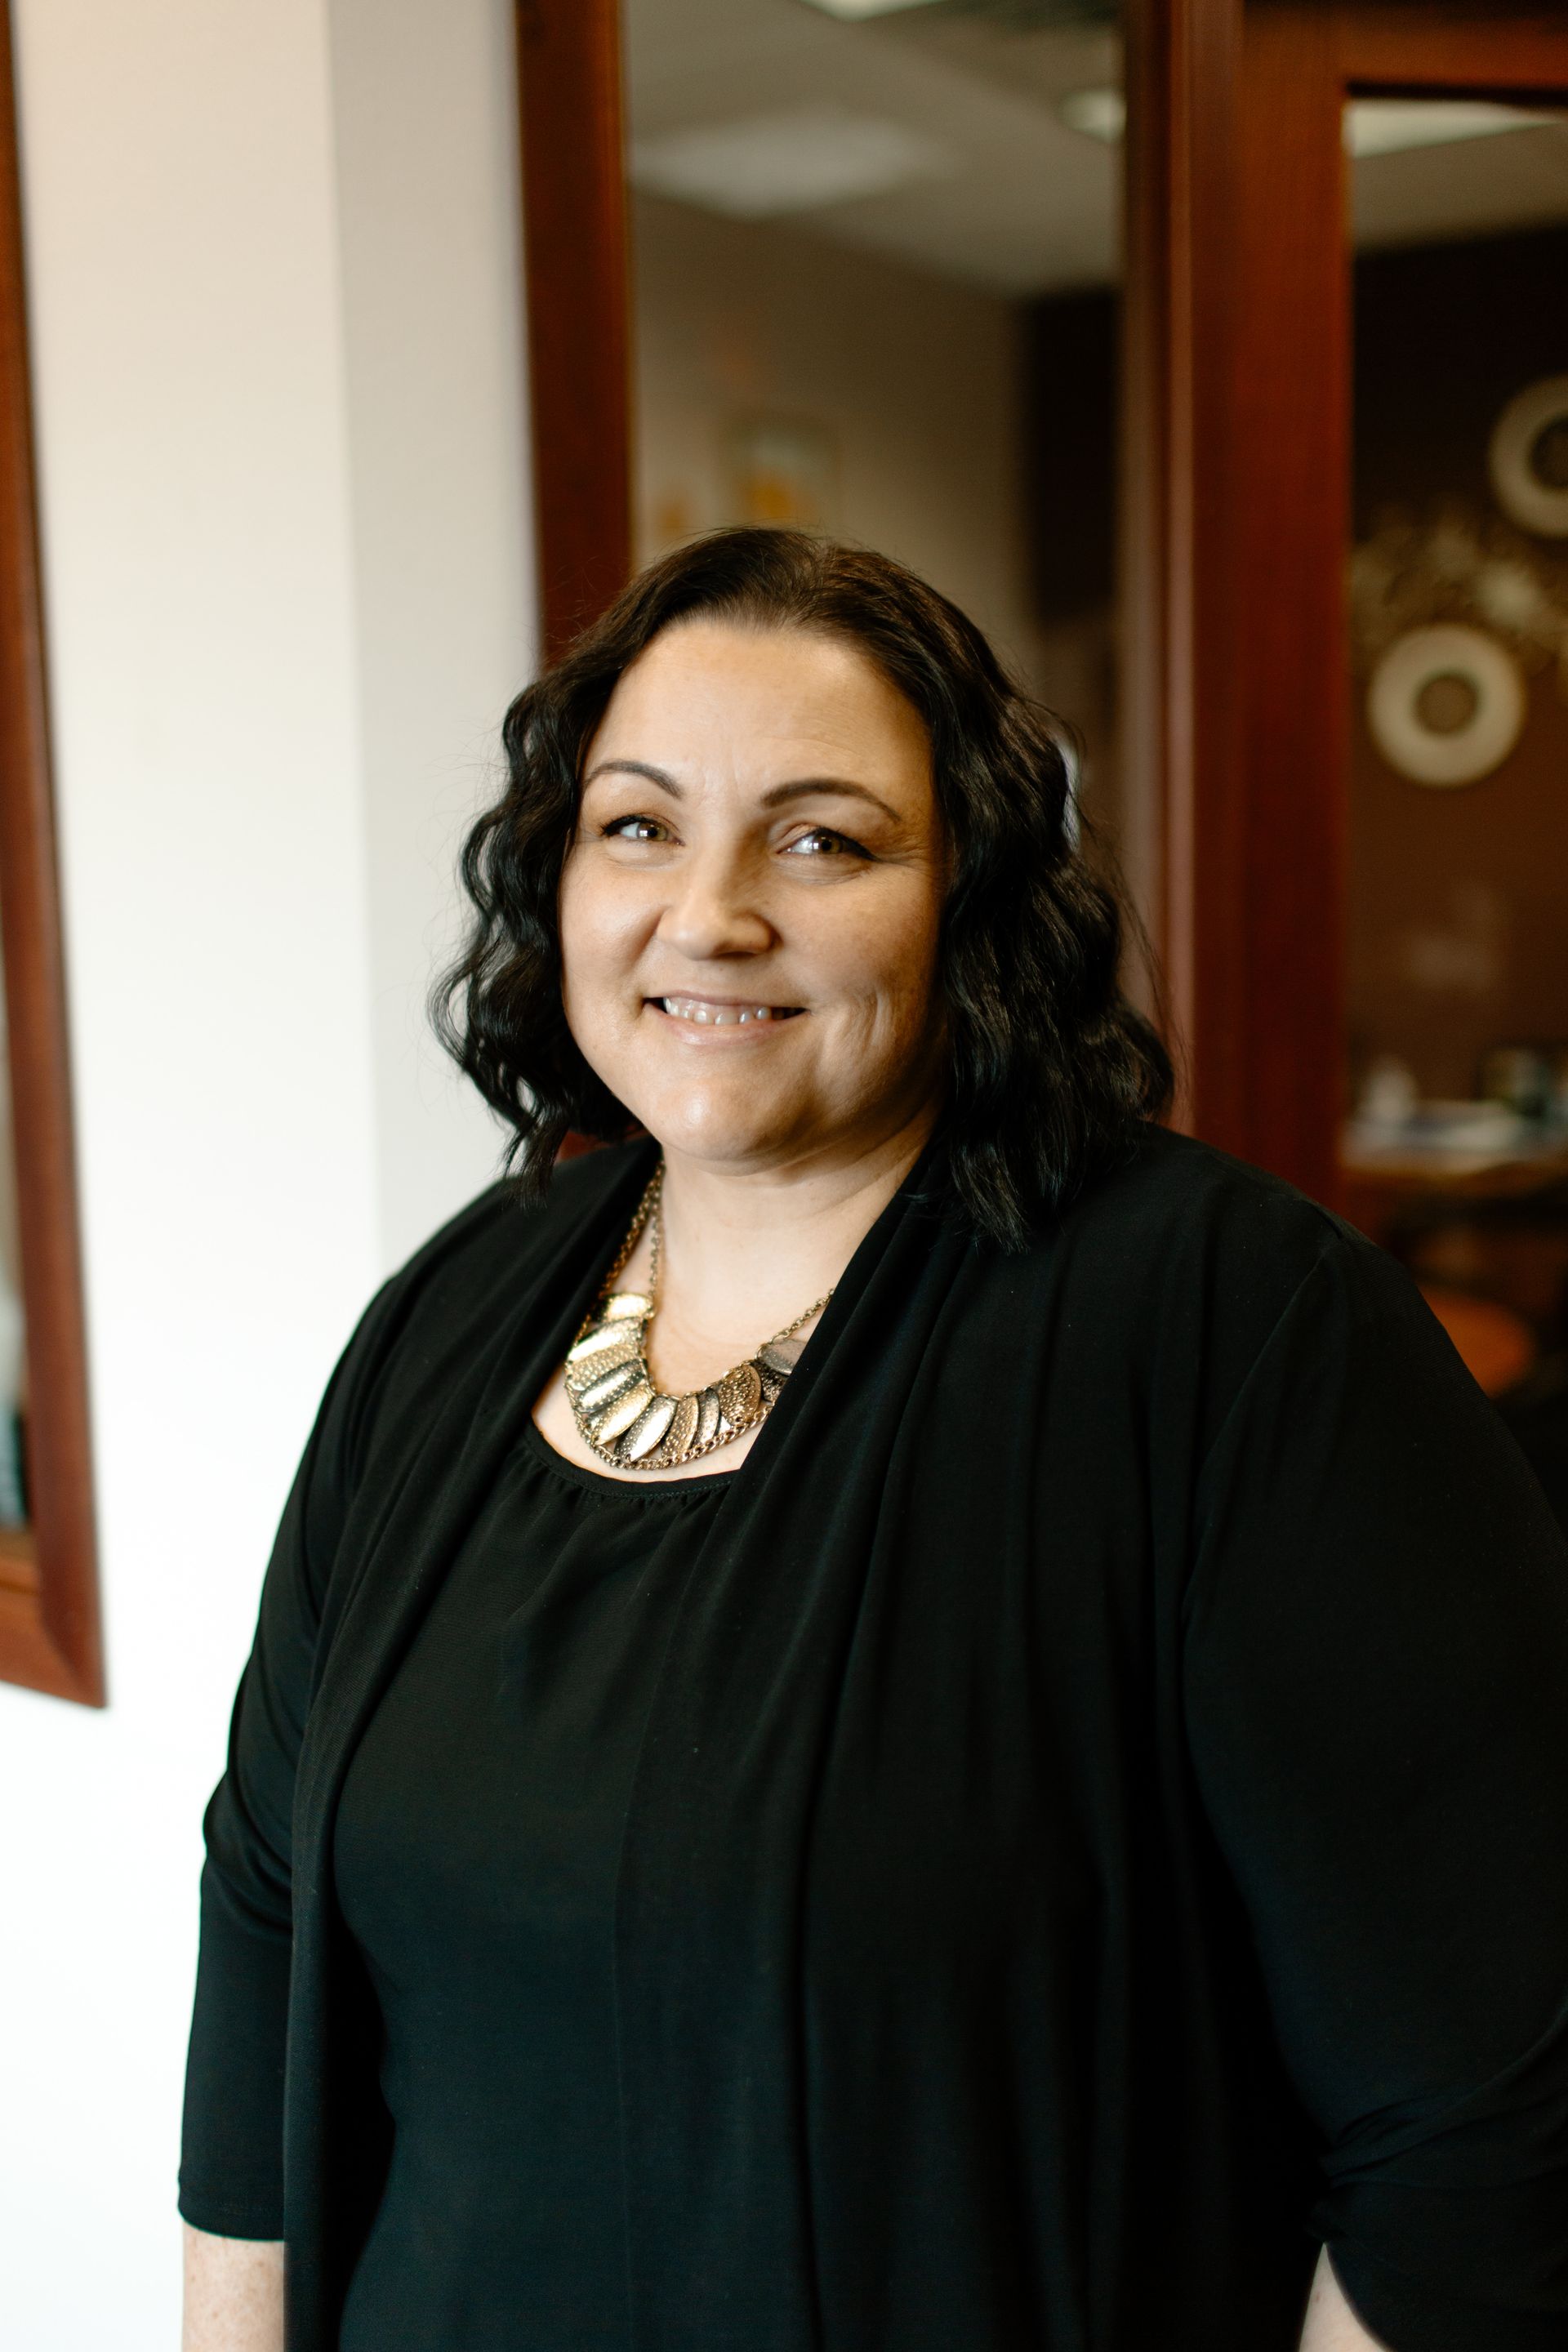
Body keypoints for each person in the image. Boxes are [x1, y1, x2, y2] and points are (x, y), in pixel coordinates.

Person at [179, 529, 1568, 2352]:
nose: (711, 914)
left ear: (971, 900)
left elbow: (1489, 2129)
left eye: (821, 839)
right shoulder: (453, 1316)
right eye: (638, 825)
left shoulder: (1233, 1333)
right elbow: (269, 1910)